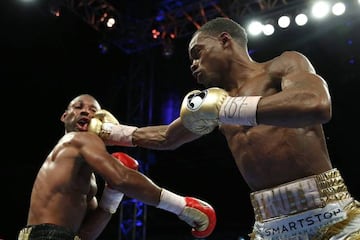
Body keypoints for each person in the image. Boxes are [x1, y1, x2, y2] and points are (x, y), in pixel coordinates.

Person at [89, 17, 360, 239]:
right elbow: (166, 137)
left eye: (198, 53)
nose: (193, 64)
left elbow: (316, 104)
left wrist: (228, 109)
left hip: (332, 214)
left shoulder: (283, 65)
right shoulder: (213, 103)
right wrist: (108, 131)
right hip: (271, 226)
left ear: (225, 40)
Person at [18, 94, 216, 240]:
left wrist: (112, 194)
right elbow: (121, 178)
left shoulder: (87, 178)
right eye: (78, 107)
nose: (86, 111)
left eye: (94, 110)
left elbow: (85, 235)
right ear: (64, 116)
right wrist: (181, 206)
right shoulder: (77, 139)